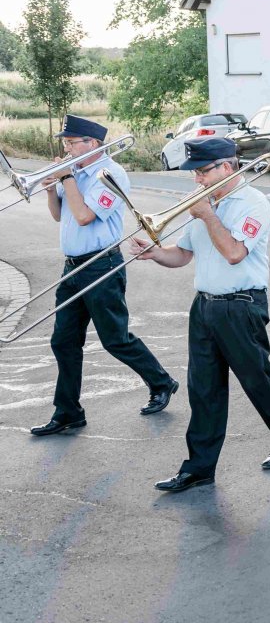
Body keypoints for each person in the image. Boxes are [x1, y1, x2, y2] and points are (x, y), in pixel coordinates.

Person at [134, 138, 270, 493]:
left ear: (227, 167)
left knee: (256, 380)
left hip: (240, 305)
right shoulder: (203, 204)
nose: (197, 180)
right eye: (195, 173)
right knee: (203, 388)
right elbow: (182, 254)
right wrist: (155, 253)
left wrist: (209, 215)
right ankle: (199, 468)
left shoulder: (253, 202)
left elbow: (234, 253)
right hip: (205, 306)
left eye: (203, 172)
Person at [29, 115, 179, 437]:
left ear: (93, 143)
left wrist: (66, 178)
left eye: (71, 143)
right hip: (73, 267)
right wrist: (51, 190)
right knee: (63, 341)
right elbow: (60, 215)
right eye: (66, 143)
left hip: (102, 265)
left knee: (114, 339)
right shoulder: (75, 171)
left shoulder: (110, 174)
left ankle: (161, 381)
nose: (67, 149)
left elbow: (85, 217)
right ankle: (68, 412)